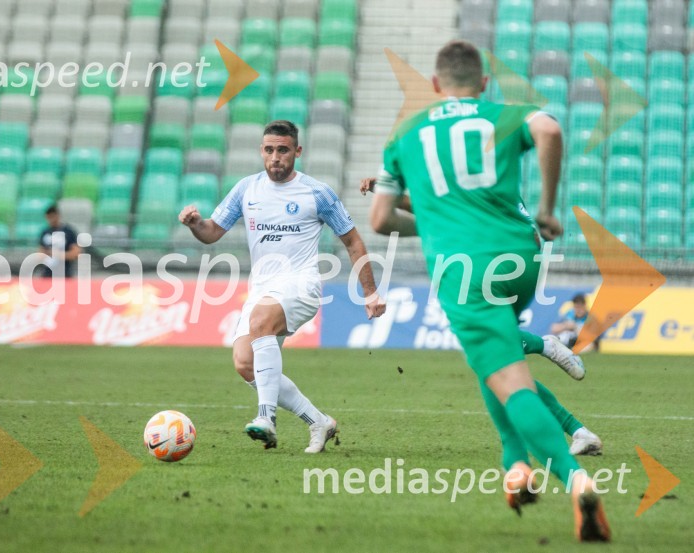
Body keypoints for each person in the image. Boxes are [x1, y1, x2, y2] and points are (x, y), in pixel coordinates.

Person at [368, 41, 610, 541]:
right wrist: (547, 208)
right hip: (522, 259)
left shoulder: (406, 134)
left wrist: (431, 225)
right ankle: (515, 464)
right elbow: (550, 129)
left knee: (509, 380)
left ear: (435, 85)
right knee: (495, 360)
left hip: (463, 270)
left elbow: (380, 219)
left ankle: (576, 479)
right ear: (482, 83)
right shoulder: (502, 114)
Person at [179, 120, 386, 453]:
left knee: (261, 321)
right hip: (262, 288)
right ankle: (319, 421)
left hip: (301, 284)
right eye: (269, 150)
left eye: (283, 150)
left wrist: (370, 292)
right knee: (245, 362)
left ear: (297, 151)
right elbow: (212, 232)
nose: (275, 157)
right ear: (261, 151)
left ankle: (266, 418)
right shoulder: (246, 189)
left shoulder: (317, 192)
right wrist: (195, 224)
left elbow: (352, 241)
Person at [360, 176, 602, 456]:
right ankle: (578, 430)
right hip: (495, 266)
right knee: (500, 365)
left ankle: (545, 353)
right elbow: (430, 207)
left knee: (494, 363)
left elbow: (526, 232)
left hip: (498, 268)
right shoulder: (477, 178)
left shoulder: (482, 182)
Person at [38, 205, 81, 278]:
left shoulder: (68, 232)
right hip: (47, 275)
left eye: (53, 217)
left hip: (65, 274)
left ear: (58, 216)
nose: (51, 220)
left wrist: (57, 254)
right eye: (49, 218)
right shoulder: (45, 232)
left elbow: (75, 253)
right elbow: (40, 253)